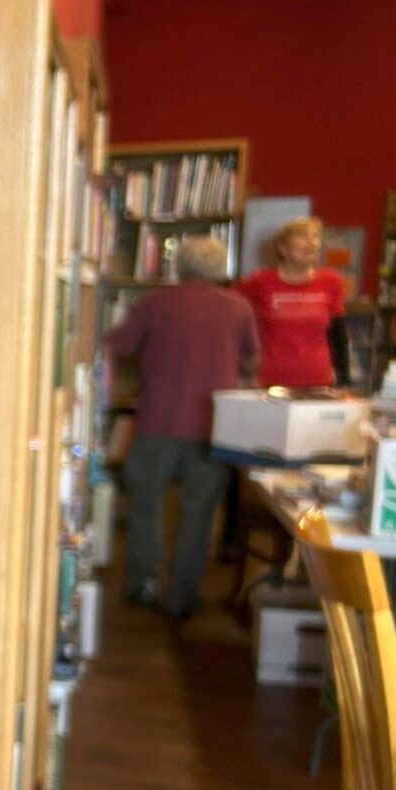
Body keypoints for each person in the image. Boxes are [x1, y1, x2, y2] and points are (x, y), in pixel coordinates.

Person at [107, 235, 259, 619]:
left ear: (181, 266)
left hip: (158, 420)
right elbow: (251, 363)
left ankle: (142, 584)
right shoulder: (238, 308)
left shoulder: (156, 302)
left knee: (145, 507)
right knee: (199, 515)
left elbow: (121, 345)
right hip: (212, 426)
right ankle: (181, 596)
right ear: (220, 268)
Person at [237, 216, 350, 388]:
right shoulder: (259, 281)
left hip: (318, 380)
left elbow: (338, 333)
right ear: (283, 248)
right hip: (269, 381)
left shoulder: (330, 280)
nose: (311, 243)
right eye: (302, 237)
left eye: (315, 237)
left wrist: (344, 377)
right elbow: (229, 315)